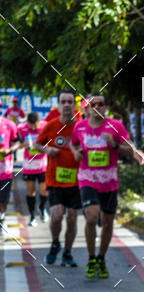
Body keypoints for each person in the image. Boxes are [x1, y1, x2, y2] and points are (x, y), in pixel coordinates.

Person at [70, 93, 144, 280]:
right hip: (87, 178)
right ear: (86, 108)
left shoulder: (115, 126)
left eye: (101, 104)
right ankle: (91, 258)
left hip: (109, 181)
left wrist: (114, 145)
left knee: (108, 222)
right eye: (92, 104)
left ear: (106, 107)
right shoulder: (80, 127)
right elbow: (73, 144)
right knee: (92, 216)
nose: (97, 107)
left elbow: (131, 148)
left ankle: (101, 258)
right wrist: (76, 153)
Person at [35, 90, 81, 267]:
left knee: (71, 217)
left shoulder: (81, 126)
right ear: (59, 105)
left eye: (70, 101)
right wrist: (47, 150)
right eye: (64, 102)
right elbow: (37, 144)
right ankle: (55, 243)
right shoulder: (51, 125)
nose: (67, 105)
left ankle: (68, 253)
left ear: (74, 105)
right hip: (54, 179)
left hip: (76, 181)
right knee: (56, 215)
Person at [18, 112, 48, 226]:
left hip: (43, 164)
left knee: (44, 190)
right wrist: (23, 145)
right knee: (31, 191)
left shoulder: (46, 126)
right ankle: (32, 216)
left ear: (40, 121)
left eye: (36, 125)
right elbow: (16, 143)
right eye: (31, 126)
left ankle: (42, 208)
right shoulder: (22, 129)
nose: (34, 128)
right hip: (29, 165)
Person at [0, 111, 21, 236]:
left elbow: (18, 142)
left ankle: (2, 219)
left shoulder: (9, 124)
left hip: (5, 171)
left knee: (2, 201)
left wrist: (10, 150)